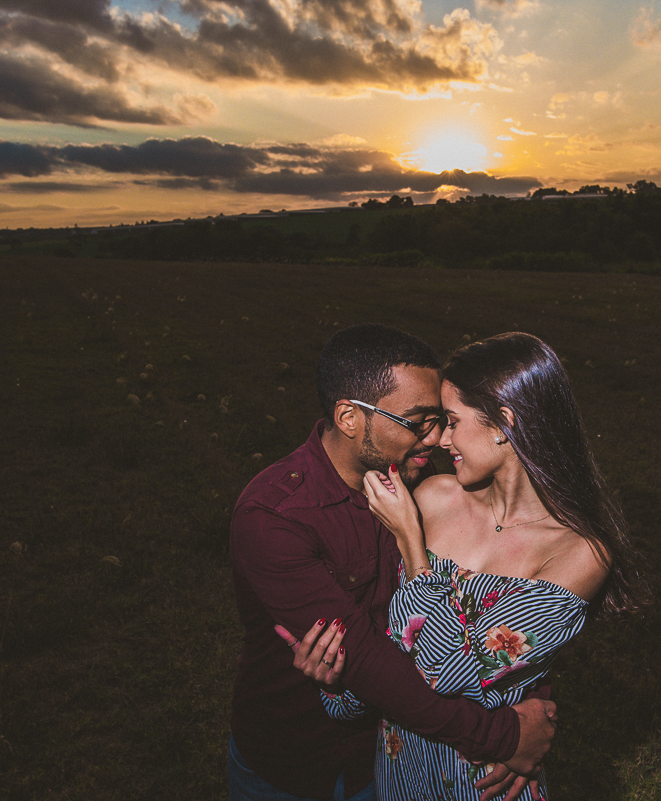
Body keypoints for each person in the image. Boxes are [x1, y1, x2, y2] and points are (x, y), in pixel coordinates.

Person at [284, 332, 645, 801]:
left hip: (480, 781)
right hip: (399, 771)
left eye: (451, 422)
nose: (438, 440)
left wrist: (413, 548)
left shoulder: (577, 553)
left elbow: (444, 670)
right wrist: (340, 682)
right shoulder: (434, 497)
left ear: (503, 423)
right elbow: (384, 638)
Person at [228, 325, 558, 801]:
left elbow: (499, 599)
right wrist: (505, 738)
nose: (438, 437)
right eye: (419, 420)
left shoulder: (431, 487)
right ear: (349, 417)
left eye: (442, 419)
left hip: (393, 759)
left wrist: (532, 701)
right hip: (292, 762)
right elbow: (366, 661)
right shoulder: (274, 518)